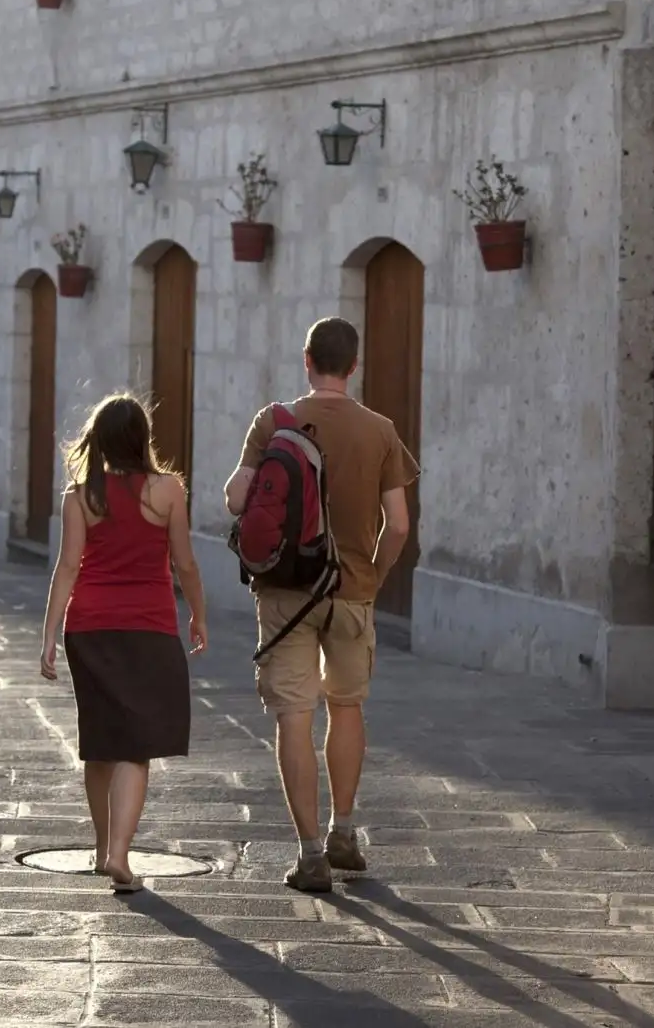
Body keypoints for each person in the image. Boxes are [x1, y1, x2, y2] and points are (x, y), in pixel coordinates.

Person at [224, 317, 418, 893]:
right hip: (352, 590)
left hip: (285, 590)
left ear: (306, 359)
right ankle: (343, 832)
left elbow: (235, 497)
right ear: (353, 366)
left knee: (294, 715)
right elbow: (398, 524)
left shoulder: (273, 421)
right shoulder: (380, 431)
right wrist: (373, 575)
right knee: (347, 706)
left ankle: (310, 855)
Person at [40, 393, 209, 894]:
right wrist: (198, 614)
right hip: (149, 630)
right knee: (136, 746)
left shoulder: (80, 497)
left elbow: (67, 567)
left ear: (98, 440)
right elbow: (185, 562)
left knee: (100, 743)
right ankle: (119, 854)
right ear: (142, 438)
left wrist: (49, 635)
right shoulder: (168, 491)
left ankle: (101, 850)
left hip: (89, 629)